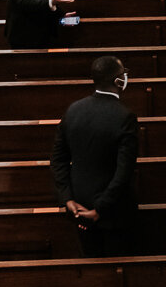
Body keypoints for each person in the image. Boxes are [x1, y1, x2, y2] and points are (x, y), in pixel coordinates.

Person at [53, 56, 141, 256]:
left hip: (79, 206)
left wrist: (67, 198)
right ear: (119, 81)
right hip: (114, 212)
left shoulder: (73, 110)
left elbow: (58, 158)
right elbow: (124, 170)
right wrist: (101, 208)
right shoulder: (125, 117)